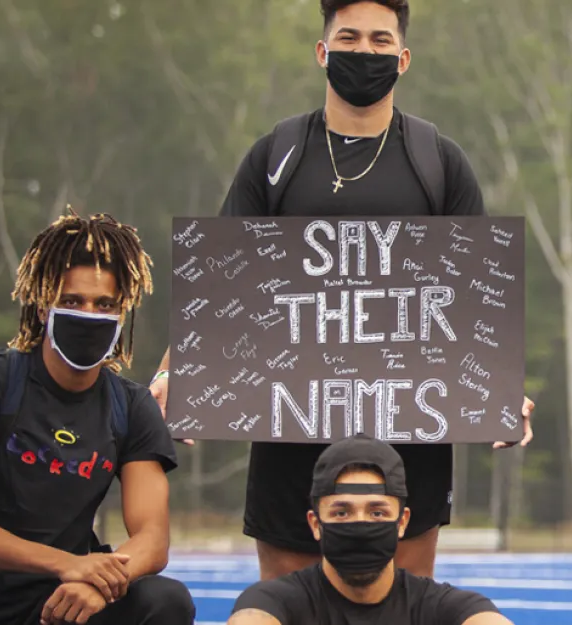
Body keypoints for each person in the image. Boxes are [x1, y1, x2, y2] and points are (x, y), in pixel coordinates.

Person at [145, 0, 535, 582]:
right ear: (322, 53)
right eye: (348, 38)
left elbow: (473, 297)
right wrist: (179, 373)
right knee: (285, 607)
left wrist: (501, 391)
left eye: (380, 41)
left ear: (403, 59)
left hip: (411, 435)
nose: (364, 51)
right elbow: (225, 284)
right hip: (289, 429)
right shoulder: (275, 156)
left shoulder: (439, 162)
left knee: (402, 606)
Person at [0, 211, 194, 625]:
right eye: (72, 301)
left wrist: (97, 582)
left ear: (122, 316)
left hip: (61, 607)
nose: (88, 314)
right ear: (45, 307)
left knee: (166, 601)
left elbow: (153, 540)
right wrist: (68, 564)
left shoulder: (130, 406)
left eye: (105, 305)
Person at [227, 433, 512, 624]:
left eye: (377, 512)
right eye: (342, 512)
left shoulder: (440, 606)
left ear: (403, 522)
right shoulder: (273, 600)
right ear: (316, 523)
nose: (359, 525)